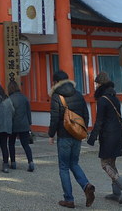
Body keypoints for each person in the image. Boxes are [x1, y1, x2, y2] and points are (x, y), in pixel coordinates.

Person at [49, 68, 95, 209]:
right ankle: (86, 185)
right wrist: (83, 130)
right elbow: (86, 115)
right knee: (74, 163)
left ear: (56, 82)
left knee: (63, 166)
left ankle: (69, 199)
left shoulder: (57, 96)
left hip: (64, 136)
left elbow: (55, 118)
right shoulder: (78, 94)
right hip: (76, 135)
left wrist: (51, 134)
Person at [87, 71, 122, 204]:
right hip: (117, 133)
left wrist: (92, 137)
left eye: (96, 84)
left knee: (105, 164)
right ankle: (116, 192)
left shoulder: (103, 99)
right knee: (112, 163)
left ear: (100, 84)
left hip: (108, 135)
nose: (95, 86)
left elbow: (100, 120)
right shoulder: (114, 97)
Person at [7, 78, 34, 172]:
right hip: (24, 124)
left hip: (13, 125)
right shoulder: (24, 97)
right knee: (25, 144)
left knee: (11, 144)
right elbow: (28, 112)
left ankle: (13, 162)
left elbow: (9, 113)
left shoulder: (10, 99)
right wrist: (29, 123)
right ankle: (30, 161)